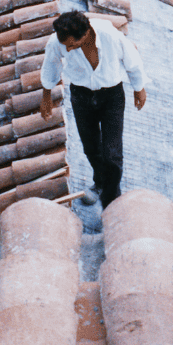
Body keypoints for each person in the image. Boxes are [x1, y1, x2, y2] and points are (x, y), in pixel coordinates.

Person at [40, 10, 147, 208]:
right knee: (91, 148)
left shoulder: (110, 35)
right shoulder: (57, 42)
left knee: (112, 153)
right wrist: (46, 96)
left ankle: (111, 199)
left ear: (86, 34)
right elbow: (50, 67)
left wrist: (138, 89)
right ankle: (100, 182)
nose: (68, 49)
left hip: (111, 96)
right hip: (81, 96)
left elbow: (132, 61)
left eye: (72, 45)